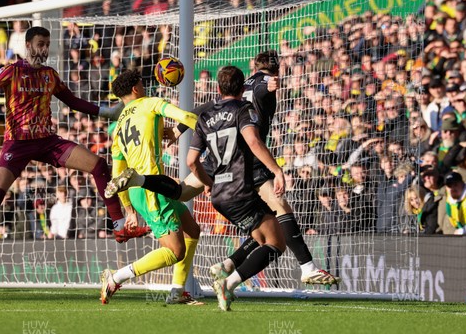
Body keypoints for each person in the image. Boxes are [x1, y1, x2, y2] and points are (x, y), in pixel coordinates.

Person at [106, 51, 340, 285]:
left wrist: (177, 130)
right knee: (279, 210)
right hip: (243, 162)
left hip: (213, 162)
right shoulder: (258, 85)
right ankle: (307, 267)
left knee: (182, 192)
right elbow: (259, 95)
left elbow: (201, 110)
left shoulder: (233, 91)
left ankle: (224, 265)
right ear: (274, 70)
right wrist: (270, 85)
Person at [0, 26, 148, 279]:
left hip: (48, 141)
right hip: (17, 143)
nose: (44, 49)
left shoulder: (50, 75)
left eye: (47, 44)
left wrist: (105, 112)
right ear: (28, 45)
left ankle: (120, 226)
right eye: (40, 43)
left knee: (99, 165)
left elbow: (73, 102)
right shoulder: (11, 71)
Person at [186, 65, 286, 311]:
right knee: (276, 244)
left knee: (264, 229)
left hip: (220, 194)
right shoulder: (243, 108)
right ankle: (228, 283)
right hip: (239, 189)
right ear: (243, 89)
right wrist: (277, 170)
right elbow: (253, 141)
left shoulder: (205, 116)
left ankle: (227, 266)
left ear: (218, 89)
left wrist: (208, 184)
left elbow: (191, 161)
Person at [100, 69, 203, 306]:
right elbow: (186, 117)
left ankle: (178, 292)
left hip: (137, 191)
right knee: (175, 251)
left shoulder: (118, 127)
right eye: (142, 84)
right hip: (153, 189)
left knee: (192, 230)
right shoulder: (151, 103)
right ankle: (115, 278)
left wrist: (128, 210)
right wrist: (210, 133)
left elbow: (118, 173)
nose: (145, 88)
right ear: (136, 88)